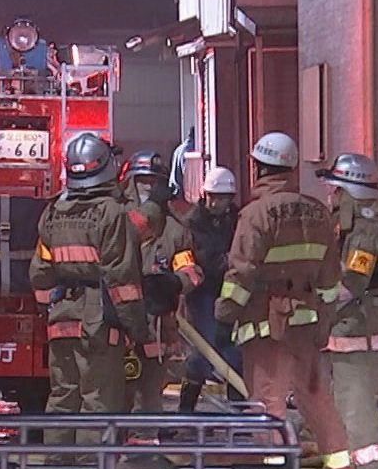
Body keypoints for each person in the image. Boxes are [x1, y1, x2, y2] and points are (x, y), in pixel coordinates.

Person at [215, 131, 357, 469]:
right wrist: (323, 322)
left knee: (269, 402)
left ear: (258, 166)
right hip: (308, 322)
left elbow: (241, 273)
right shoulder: (318, 212)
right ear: (292, 167)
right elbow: (330, 279)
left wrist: (224, 313)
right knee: (316, 396)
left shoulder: (255, 214)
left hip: (267, 324)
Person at [30, 132, 147, 415]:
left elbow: (40, 272)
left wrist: (51, 309)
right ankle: (90, 462)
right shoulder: (111, 213)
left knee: (61, 400)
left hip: (61, 319)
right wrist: (137, 328)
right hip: (99, 321)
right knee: (98, 402)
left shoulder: (53, 212)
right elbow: (122, 278)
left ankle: (56, 460)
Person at [317, 153, 378, 469]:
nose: (330, 196)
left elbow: (352, 283)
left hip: (358, 332)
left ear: (351, 193)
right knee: (345, 401)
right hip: (348, 330)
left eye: (335, 190)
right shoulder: (350, 232)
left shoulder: (364, 235)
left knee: (355, 404)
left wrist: (318, 309)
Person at [121, 150, 202, 412]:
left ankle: (145, 447)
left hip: (157, 327)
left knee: (150, 397)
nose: (148, 187)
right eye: (142, 180)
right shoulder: (117, 219)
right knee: (115, 396)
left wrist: (174, 282)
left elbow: (190, 269)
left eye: (154, 181)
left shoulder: (175, 230)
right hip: (119, 326)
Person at [179, 165, 243, 411]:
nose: (218, 203)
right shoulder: (194, 222)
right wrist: (234, 260)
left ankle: (238, 413)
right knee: (203, 351)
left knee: (235, 352)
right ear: (205, 195)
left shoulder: (236, 218)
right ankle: (186, 411)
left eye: (223, 198)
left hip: (231, 290)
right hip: (203, 292)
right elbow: (205, 259)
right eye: (214, 197)